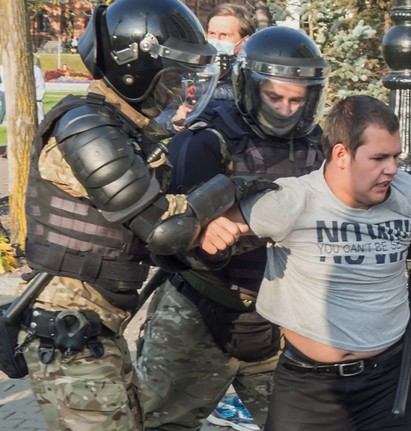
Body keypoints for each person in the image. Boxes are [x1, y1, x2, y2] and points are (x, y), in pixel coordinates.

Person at [14, 1, 270, 430]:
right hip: (69, 330)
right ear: (135, 70)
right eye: (169, 79)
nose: (174, 93)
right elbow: (166, 230)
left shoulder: (124, 128)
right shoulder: (87, 129)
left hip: (99, 326)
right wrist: (233, 186)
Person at [198, 94, 411, 430]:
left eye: (396, 156)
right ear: (341, 154)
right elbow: (218, 225)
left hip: (391, 378)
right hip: (310, 389)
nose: (392, 169)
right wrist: (214, 230)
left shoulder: (407, 192)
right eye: (379, 158)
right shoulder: (292, 200)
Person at [135, 26, 330, 431]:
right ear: (249, 86)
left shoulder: (320, 146)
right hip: (199, 309)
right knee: (158, 422)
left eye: (297, 100)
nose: (285, 109)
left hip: (282, 315)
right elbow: (168, 232)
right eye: (274, 97)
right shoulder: (207, 138)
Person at [153, 3, 256, 136]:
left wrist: (203, 103)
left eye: (224, 35)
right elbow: (158, 114)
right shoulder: (190, 69)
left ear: (245, 40)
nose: (216, 40)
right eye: (212, 33)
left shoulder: (253, 77)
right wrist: (174, 121)